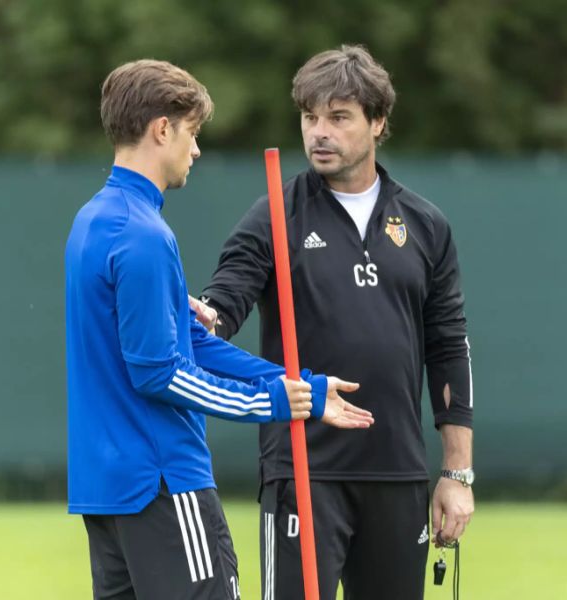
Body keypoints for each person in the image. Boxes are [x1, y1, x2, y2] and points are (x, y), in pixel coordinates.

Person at [64, 59, 373, 600]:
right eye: (192, 133)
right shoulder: (143, 236)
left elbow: (193, 345)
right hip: (162, 481)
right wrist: (271, 403)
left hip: (108, 490)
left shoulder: (93, 220)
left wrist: (300, 385)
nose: (197, 150)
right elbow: (160, 372)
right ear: (163, 129)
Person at [198, 45, 474, 600]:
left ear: (377, 123)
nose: (319, 132)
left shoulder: (425, 225)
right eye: (310, 117)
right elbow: (227, 297)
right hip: (304, 468)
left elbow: (449, 347)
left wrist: (456, 473)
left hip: (397, 472)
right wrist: (208, 314)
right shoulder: (277, 212)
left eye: (338, 117)